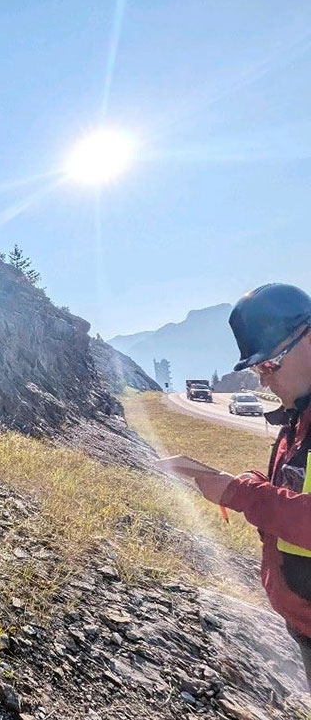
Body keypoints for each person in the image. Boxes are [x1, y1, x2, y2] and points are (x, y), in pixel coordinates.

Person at [167, 283, 311, 686]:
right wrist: (251, 482)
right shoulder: (299, 415)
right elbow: (295, 489)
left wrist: (239, 493)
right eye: (256, 369)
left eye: (270, 365)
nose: (264, 383)